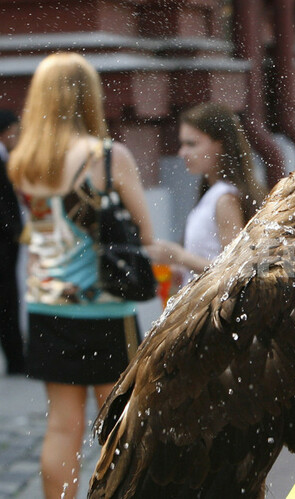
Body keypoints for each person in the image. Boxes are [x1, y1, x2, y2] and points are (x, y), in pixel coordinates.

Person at [7, 52, 154, 499]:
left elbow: (37, 234)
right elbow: (143, 234)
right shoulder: (107, 158)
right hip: (106, 308)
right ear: (87, 97)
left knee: (61, 426)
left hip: (46, 306)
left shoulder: (24, 162)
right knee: (118, 427)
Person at [148, 103, 266, 284]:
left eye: (191, 144)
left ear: (220, 144)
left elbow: (236, 270)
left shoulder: (225, 199)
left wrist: (180, 257)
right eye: (182, 144)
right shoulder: (214, 194)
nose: (182, 153)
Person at [0, 109, 25, 375]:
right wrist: (15, 229)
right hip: (3, 246)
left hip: (6, 244)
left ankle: (16, 356)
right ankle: (16, 359)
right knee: (7, 301)